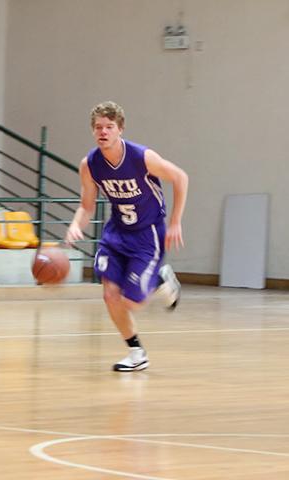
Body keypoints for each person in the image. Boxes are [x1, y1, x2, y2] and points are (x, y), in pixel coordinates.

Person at [65, 101, 186, 372]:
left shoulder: (141, 157)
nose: (103, 132)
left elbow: (180, 178)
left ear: (120, 129)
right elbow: (86, 205)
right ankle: (136, 353)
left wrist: (176, 221)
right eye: (98, 127)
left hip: (147, 234)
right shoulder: (90, 164)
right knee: (110, 295)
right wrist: (76, 225)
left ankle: (159, 278)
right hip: (116, 234)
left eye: (109, 127)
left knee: (132, 301)